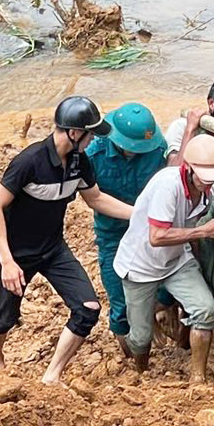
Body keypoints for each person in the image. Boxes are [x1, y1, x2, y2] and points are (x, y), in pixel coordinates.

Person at [0, 96, 134, 384]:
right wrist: (7, 260)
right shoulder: (29, 161)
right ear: (74, 133)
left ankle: (51, 375)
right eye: (91, 134)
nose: (93, 140)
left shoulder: (80, 161)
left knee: (88, 309)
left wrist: (140, 215)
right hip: (17, 253)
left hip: (54, 249)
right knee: (4, 318)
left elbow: (97, 199)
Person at [114, 134, 214, 384]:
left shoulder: (210, 188)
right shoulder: (169, 185)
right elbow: (157, 236)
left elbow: (209, 216)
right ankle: (140, 373)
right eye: (205, 180)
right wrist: (202, 232)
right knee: (141, 337)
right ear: (189, 169)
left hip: (177, 260)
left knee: (205, 309)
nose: (209, 185)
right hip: (141, 264)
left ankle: (198, 377)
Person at [84, 102, 171, 343]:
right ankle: (131, 354)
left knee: (165, 289)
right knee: (119, 301)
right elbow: (94, 198)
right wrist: (138, 214)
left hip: (150, 230)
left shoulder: (158, 149)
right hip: (113, 232)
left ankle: (151, 319)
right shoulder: (93, 153)